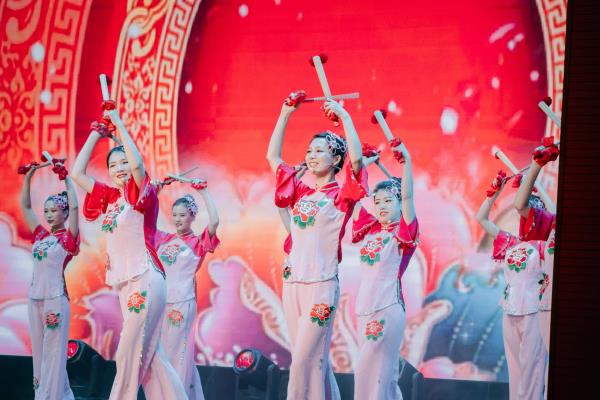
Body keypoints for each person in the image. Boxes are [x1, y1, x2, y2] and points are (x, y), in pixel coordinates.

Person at [70, 103, 187, 399]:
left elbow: (137, 167)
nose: (120, 168)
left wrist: (119, 124)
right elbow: (77, 173)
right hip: (125, 281)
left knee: (128, 352)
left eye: (123, 162)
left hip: (145, 275)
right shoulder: (109, 197)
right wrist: (96, 133)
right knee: (152, 359)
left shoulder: (142, 191)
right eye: (113, 165)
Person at [266, 93, 367, 400]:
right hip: (293, 284)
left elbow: (357, 162)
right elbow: (273, 158)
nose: (311, 156)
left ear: (335, 160)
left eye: (320, 151)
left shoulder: (342, 195)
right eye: (309, 150)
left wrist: (344, 116)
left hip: (321, 286)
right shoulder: (301, 192)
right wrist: (285, 112)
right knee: (313, 364)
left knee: (302, 362)